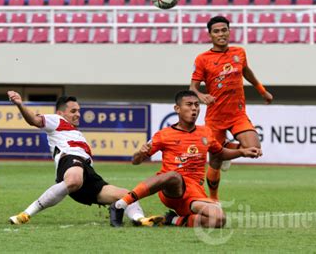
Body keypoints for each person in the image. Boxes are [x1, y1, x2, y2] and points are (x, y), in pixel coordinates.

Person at [7, 91, 163, 227]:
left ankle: (141, 219)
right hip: (70, 162)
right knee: (74, 179)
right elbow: (34, 120)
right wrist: (20, 104)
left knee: (127, 195)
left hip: (88, 173)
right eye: (73, 111)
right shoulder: (57, 120)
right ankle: (25, 214)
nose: (78, 114)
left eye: (79, 111)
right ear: (61, 113)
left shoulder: (78, 134)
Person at [110, 90, 261, 228]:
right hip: (172, 189)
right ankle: (121, 204)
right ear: (177, 109)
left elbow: (220, 153)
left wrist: (242, 152)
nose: (194, 108)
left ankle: (173, 220)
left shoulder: (205, 133)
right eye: (189, 105)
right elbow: (135, 161)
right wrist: (140, 153)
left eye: (197, 105)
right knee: (174, 176)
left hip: (194, 192)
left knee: (218, 219)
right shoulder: (164, 134)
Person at [189, 15, 273, 202]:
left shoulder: (239, 53)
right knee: (216, 162)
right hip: (215, 118)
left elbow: (246, 71)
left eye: (224, 30)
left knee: (254, 149)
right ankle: (214, 199)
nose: (221, 34)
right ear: (210, 35)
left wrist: (262, 90)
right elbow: (192, 87)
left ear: (229, 31)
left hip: (237, 114)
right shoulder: (203, 59)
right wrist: (202, 96)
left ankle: (225, 149)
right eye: (216, 31)